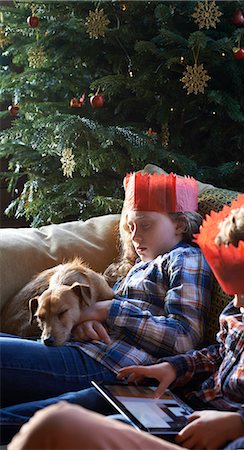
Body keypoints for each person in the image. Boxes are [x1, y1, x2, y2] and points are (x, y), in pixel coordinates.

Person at [7, 183, 244, 450]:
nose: (235, 303)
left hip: (209, 425)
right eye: (130, 227)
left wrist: (241, 423)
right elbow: (219, 353)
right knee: (76, 404)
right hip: (177, 399)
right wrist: (173, 369)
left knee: (69, 424)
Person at [0, 172, 212, 444]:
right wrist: (82, 322)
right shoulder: (136, 267)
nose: (136, 237)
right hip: (87, 349)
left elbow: (184, 338)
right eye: (130, 227)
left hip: (114, 365)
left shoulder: (186, 259)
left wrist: (105, 311)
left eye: (145, 225)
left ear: (180, 224)